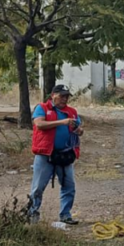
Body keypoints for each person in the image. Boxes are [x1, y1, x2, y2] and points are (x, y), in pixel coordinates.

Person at [29, 85, 84, 225]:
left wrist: (78, 130)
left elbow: (78, 128)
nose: (64, 99)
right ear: (53, 95)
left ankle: (65, 214)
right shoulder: (42, 108)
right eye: (62, 96)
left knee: (69, 186)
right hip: (45, 154)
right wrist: (62, 122)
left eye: (67, 96)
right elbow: (39, 124)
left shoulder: (72, 112)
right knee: (38, 187)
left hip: (65, 154)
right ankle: (32, 215)